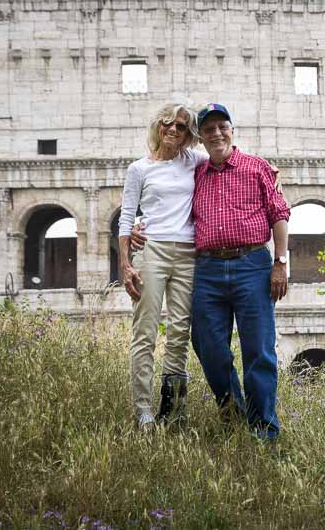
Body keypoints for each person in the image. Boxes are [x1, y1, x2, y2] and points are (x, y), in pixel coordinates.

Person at [191, 103, 290, 439]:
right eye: (208, 129)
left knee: (259, 350)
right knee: (208, 346)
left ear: (232, 130)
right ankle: (233, 415)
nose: (216, 133)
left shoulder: (257, 167)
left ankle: (264, 431)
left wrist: (280, 262)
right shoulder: (196, 175)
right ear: (201, 138)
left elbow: (279, 213)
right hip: (208, 268)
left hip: (252, 265)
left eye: (222, 127)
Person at [118, 103, 203, 431]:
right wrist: (126, 265)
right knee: (145, 332)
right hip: (150, 251)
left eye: (181, 126)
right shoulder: (139, 169)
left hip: (187, 253)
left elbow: (230, 158)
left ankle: (174, 410)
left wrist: (268, 173)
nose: (173, 130)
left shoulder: (194, 161)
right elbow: (127, 217)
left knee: (181, 331)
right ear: (158, 126)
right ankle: (143, 411)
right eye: (168, 123)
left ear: (187, 134)